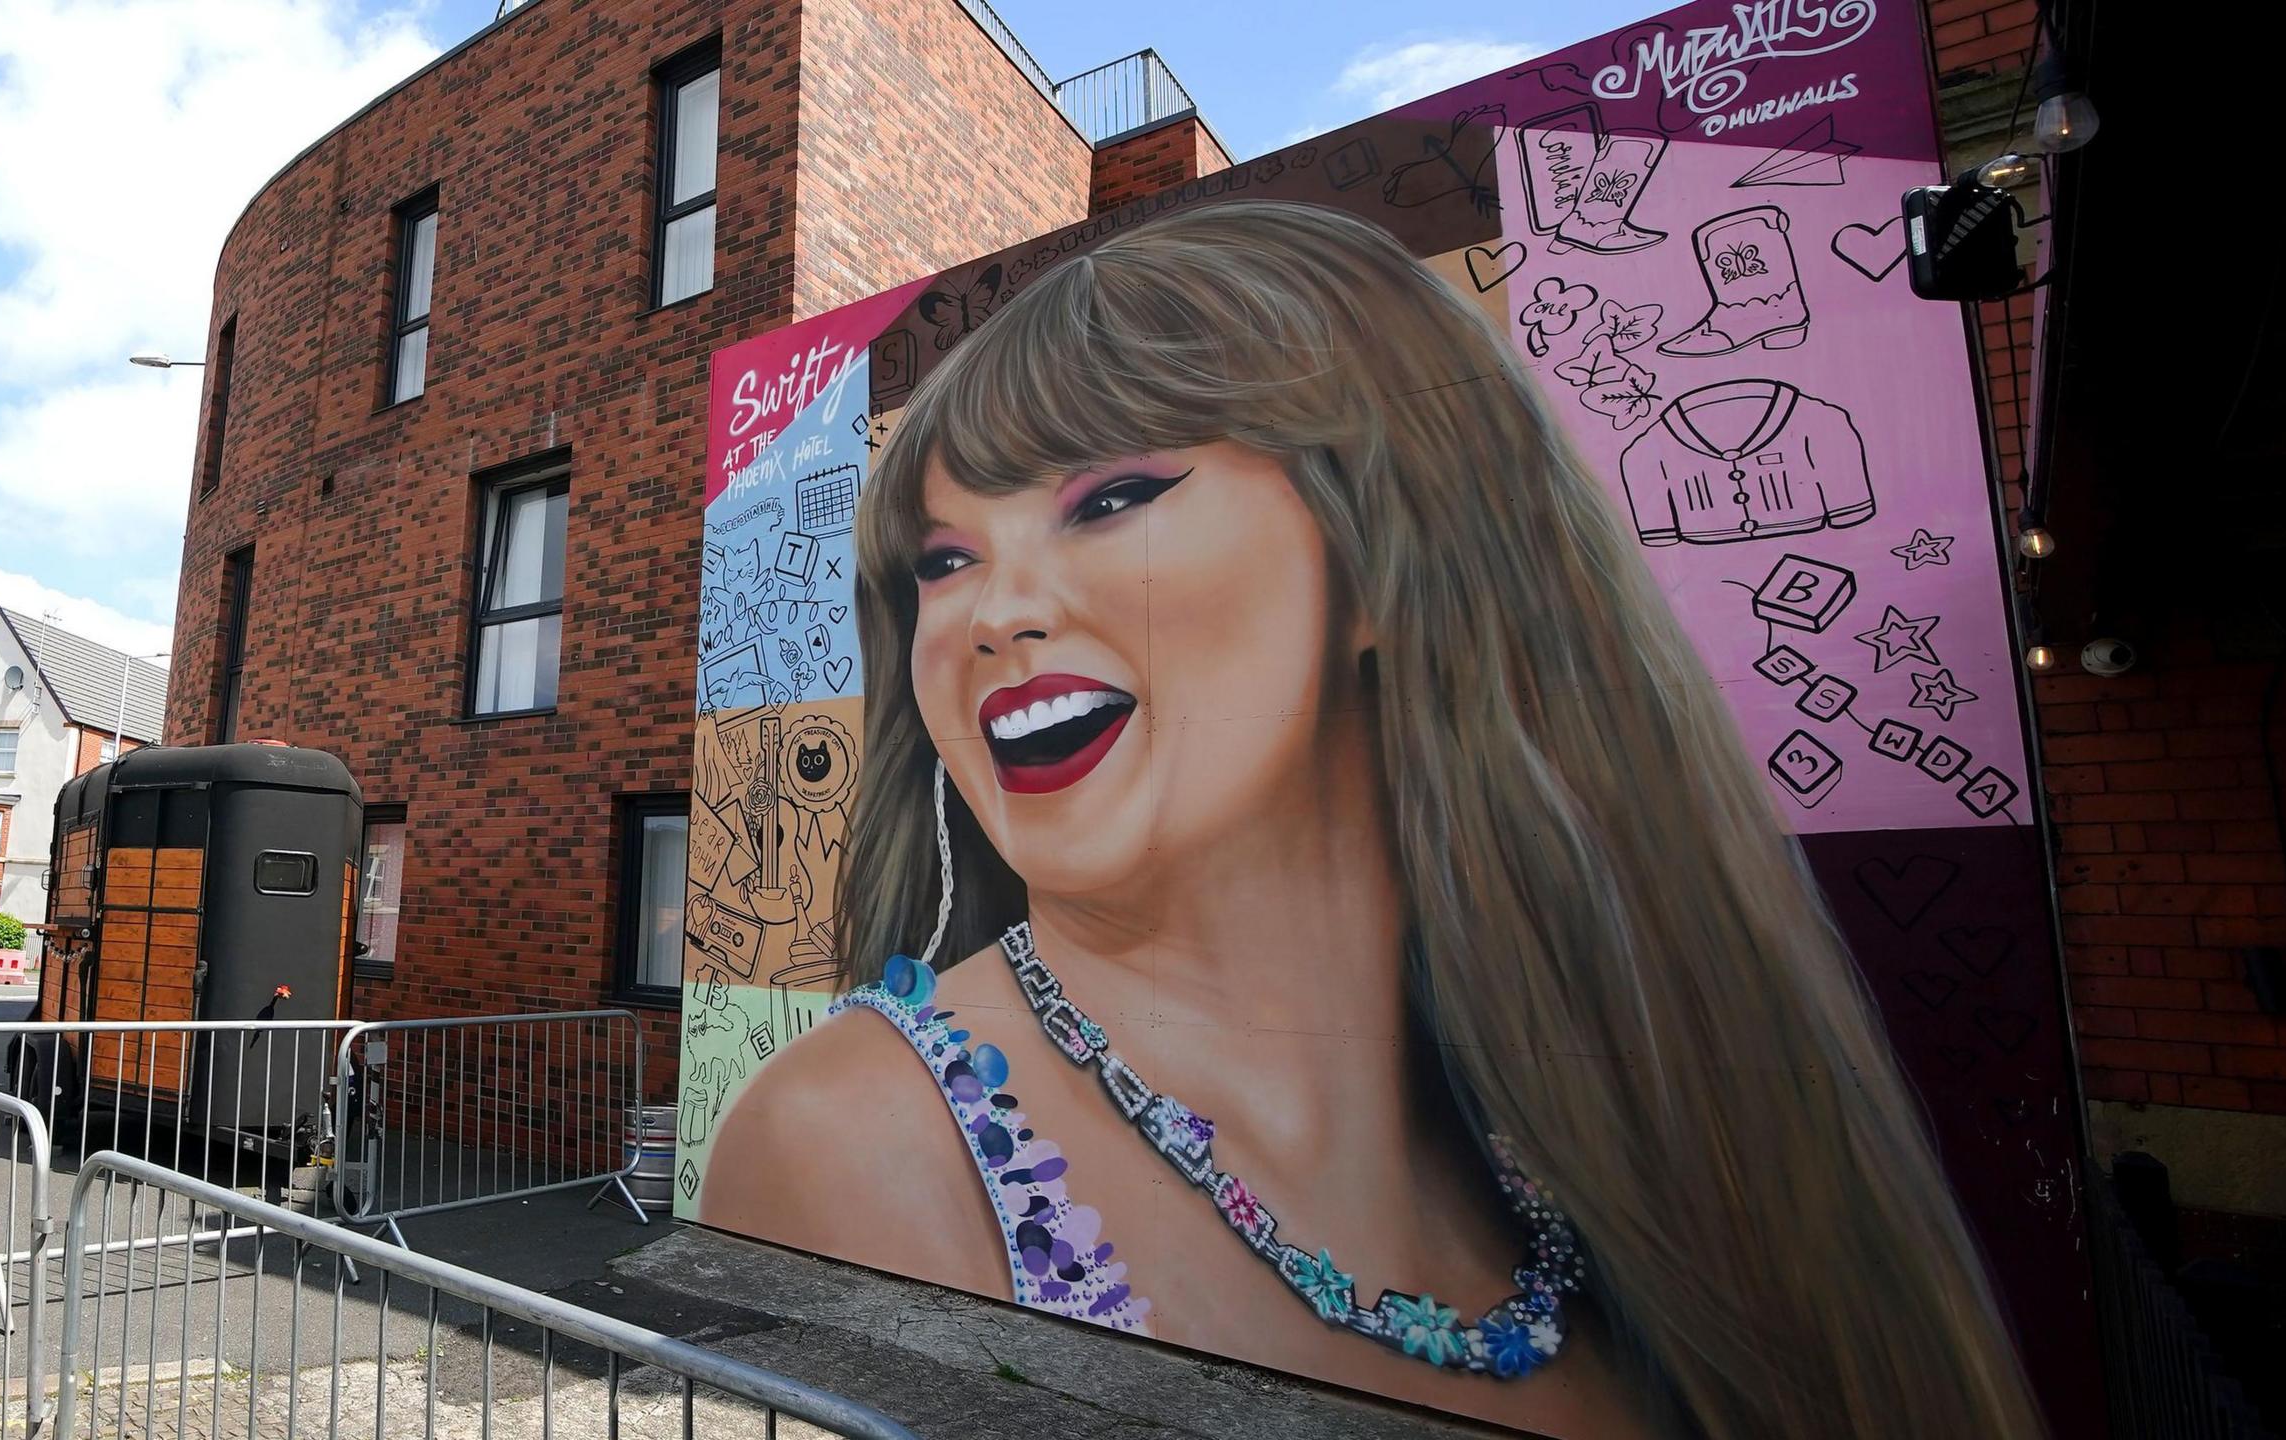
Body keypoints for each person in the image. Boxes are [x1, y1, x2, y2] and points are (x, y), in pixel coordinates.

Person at [705, 201, 2045, 1438]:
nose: (989, 613)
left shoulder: (1610, 1135)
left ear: (1387, 559)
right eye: (941, 560)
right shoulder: (859, 1152)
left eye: (1112, 499)